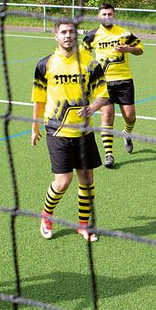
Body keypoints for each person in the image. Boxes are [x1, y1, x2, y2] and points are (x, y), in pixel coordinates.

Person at [33, 19, 109, 242]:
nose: (68, 36)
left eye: (72, 32)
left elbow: (103, 95)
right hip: (57, 131)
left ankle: (83, 226)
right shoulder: (44, 65)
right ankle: (46, 216)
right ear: (55, 35)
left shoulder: (91, 64)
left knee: (86, 181)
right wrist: (34, 127)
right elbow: (38, 99)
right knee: (62, 182)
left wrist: (93, 107)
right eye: (63, 32)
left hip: (84, 133)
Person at [82, 4, 144, 169]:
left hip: (124, 80)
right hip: (104, 83)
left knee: (130, 117)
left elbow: (140, 49)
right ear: (98, 16)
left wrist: (128, 49)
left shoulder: (124, 33)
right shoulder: (92, 35)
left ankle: (126, 133)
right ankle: (109, 154)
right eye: (104, 14)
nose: (107, 16)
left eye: (110, 14)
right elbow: (82, 54)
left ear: (114, 16)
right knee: (107, 115)